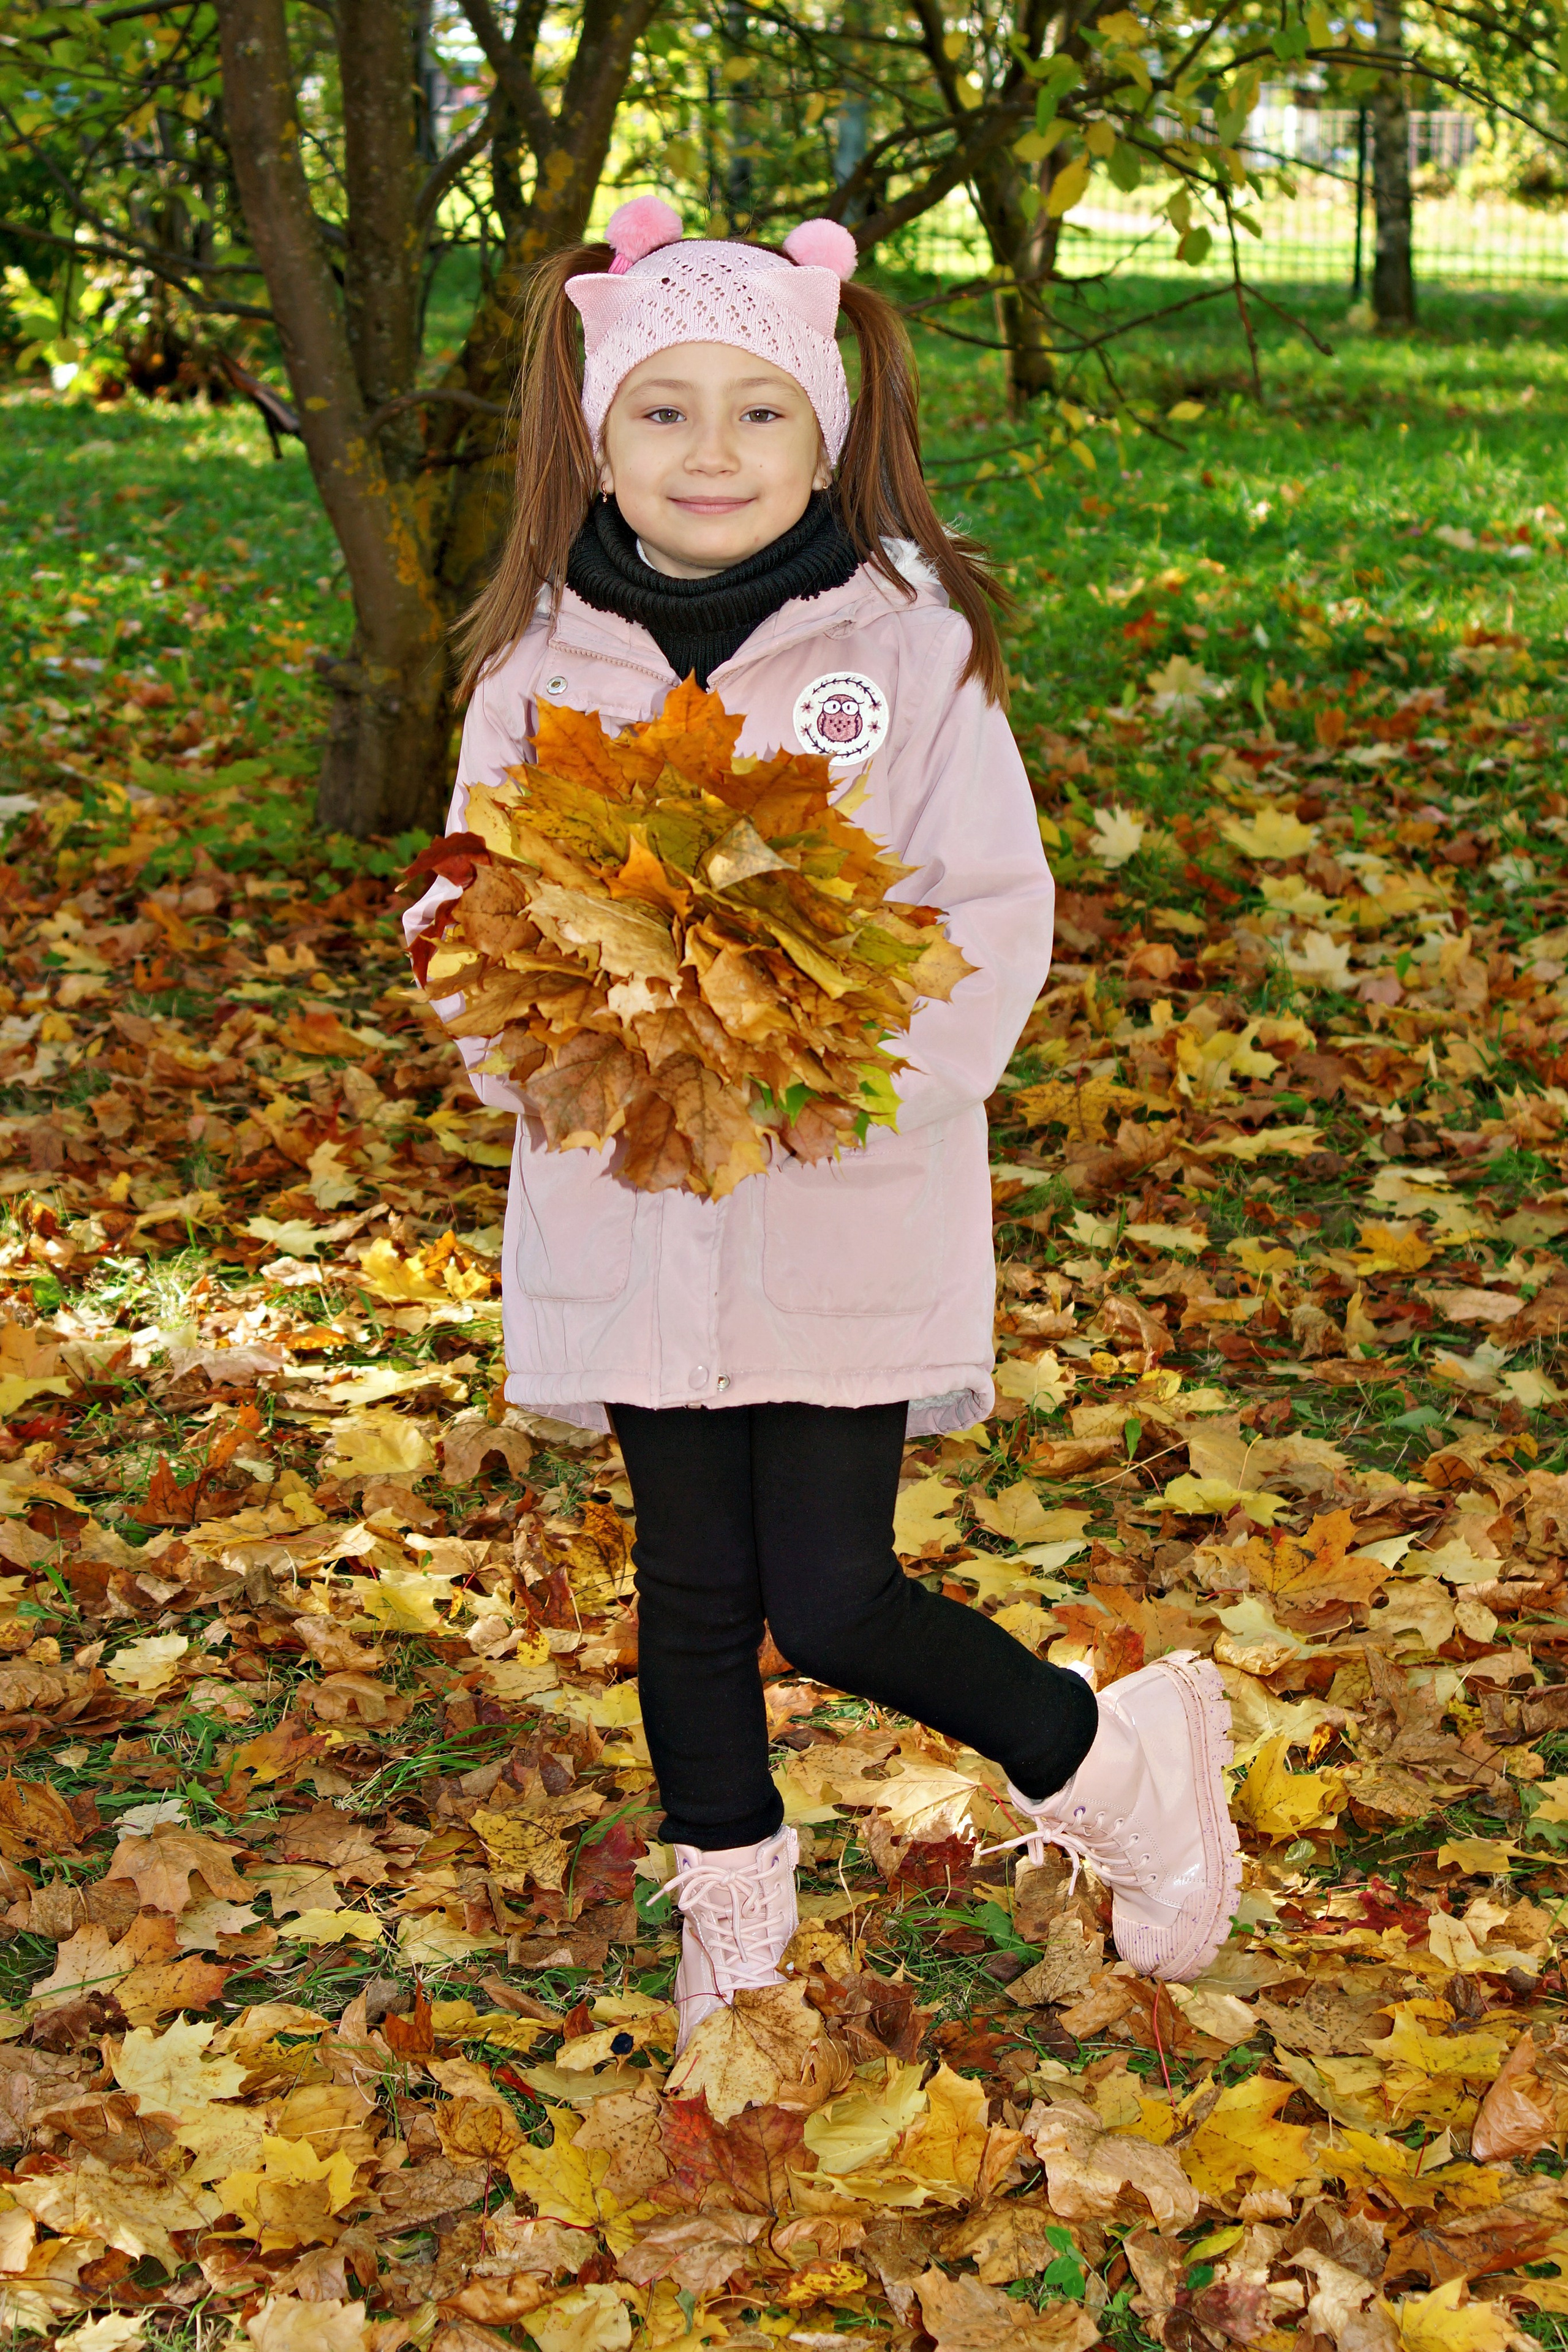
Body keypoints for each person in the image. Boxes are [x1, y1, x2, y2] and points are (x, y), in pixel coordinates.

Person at [404, 197, 1241, 2051]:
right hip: (630, 1200)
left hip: (839, 1196)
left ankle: (1117, 1758)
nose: (713, 452)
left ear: (831, 432)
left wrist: (806, 1065)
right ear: (598, 441)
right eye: (666, 411)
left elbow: (988, 919)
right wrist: (537, 1032)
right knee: (692, 1588)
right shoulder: (534, 672)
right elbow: (463, 913)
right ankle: (737, 1939)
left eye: (760, 411)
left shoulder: (911, 657)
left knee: (838, 1592)